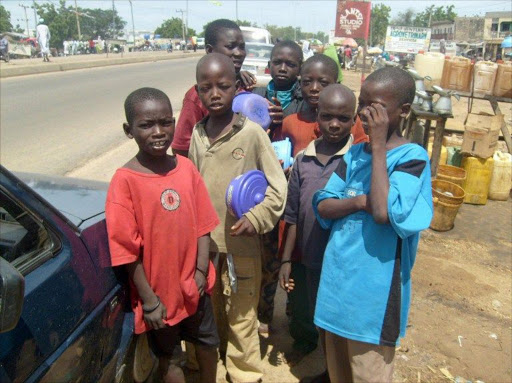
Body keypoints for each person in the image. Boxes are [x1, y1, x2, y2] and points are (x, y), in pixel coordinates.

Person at [312, 67, 433, 382]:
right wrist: (357, 202)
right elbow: (323, 203)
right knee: (339, 372)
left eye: (376, 106)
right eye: (362, 103)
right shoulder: (353, 155)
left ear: (402, 111)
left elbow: (382, 211)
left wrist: (378, 146)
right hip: (338, 289)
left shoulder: (412, 158)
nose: (365, 113)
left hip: (373, 302)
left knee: (368, 373)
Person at [106, 87, 220, 383]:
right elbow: (126, 251)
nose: (158, 132)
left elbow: (203, 225)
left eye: (166, 122)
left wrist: (199, 271)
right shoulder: (125, 181)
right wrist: (150, 300)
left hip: (193, 287)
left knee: (208, 343)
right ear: (128, 130)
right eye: (146, 125)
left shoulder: (185, 168)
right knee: (170, 357)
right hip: (159, 293)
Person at [189, 53, 287, 383]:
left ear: (237, 89)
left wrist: (257, 218)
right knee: (210, 310)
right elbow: (192, 187)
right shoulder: (198, 134)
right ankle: (211, 366)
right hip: (206, 248)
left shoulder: (252, 134)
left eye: (223, 86)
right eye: (206, 87)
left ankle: (244, 373)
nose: (215, 93)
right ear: (198, 91)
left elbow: (278, 186)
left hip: (240, 246)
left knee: (242, 312)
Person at [272, 54, 367, 368]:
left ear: (354, 119)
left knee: (334, 311)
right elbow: (292, 214)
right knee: (301, 305)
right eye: (327, 117)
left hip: (340, 256)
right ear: (318, 119)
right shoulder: (304, 160)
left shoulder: (358, 158)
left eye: (343, 118)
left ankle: (333, 365)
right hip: (303, 252)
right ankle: (303, 340)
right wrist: (286, 258)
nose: (335, 124)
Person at [171, 19, 256, 158]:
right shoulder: (197, 97)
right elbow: (181, 148)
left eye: (242, 47)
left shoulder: (247, 86)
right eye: (231, 46)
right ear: (210, 50)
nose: (239, 53)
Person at [253, 40, 304, 136]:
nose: (282, 69)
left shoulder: (304, 101)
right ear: (269, 65)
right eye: (277, 62)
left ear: (300, 69)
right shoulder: (256, 95)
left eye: (290, 64)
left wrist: (286, 121)